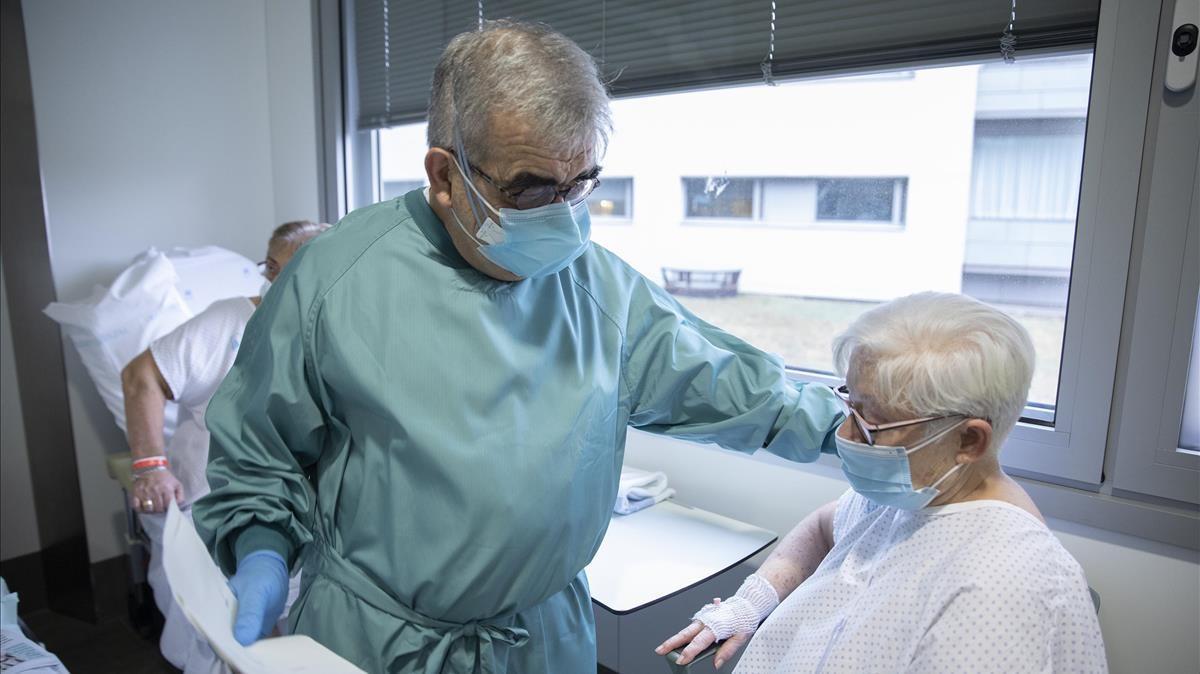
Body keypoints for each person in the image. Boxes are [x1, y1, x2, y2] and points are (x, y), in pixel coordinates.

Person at [193, 20, 845, 674]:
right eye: (531, 189)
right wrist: (260, 549)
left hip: (540, 643)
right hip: (375, 644)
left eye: (582, 183)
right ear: (444, 176)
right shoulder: (335, 280)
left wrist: (865, 427)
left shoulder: (601, 293)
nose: (563, 216)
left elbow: (733, 386)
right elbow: (260, 449)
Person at [658, 292, 1107, 673]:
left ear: (969, 440)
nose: (845, 436)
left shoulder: (999, 590)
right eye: (850, 407)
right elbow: (822, 528)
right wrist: (752, 603)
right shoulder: (915, 490)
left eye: (873, 424)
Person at [120, 220, 328, 672]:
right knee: (222, 638)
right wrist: (151, 467)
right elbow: (142, 377)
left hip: (300, 511)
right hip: (211, 505)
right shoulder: (230, 322)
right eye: (274, 270)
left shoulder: (331, 331)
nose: (280, 284)